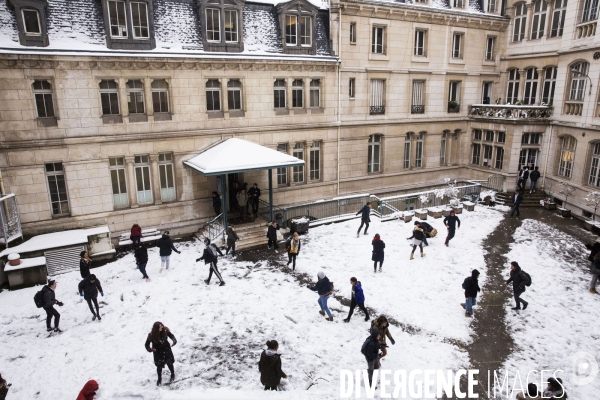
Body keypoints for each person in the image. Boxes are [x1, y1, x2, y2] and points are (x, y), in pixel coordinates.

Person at [145, 321, 177, 386]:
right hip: (158, 352)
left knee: (169, 363)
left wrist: (174, 341)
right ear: (156, 328)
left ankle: (172, 374)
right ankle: (159, 378)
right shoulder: (151, 335)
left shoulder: (165, 330)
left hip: (167, 350)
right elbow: (146, 345)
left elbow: (172, 336)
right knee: (159, 366)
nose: (161, 327)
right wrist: (150, 349)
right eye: (160, 327)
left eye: (161, 326)